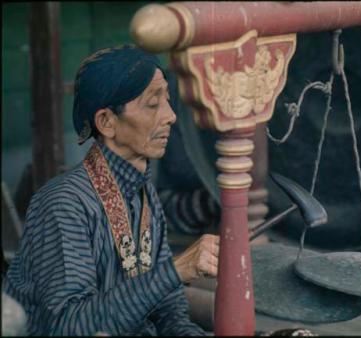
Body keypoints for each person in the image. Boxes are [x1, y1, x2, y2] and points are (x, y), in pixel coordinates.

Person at [3, 45, 220, 336]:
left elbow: (169, 307)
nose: (170, 116)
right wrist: (176, 270)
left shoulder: (146, 195)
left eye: (167, 101)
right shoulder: (63, 204)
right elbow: (70, 325)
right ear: (106, 122)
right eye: (153, 104)